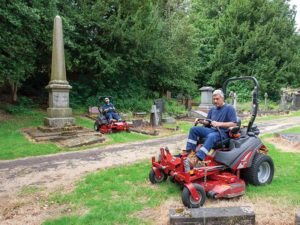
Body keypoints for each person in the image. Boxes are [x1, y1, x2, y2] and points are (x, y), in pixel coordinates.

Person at [186, 90, 238, 167]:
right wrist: (201, 121)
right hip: (211, 130)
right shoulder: (213, 109)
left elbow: (234, 123)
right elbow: (208, 122)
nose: (215, 101)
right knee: (193, 129)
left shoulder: (229, 108)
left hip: (223, 133)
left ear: (222, 98)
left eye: (217, 99)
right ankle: (190, 153)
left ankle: (197, 158)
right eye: (214, 99)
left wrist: (219, 124)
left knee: (212, 136)